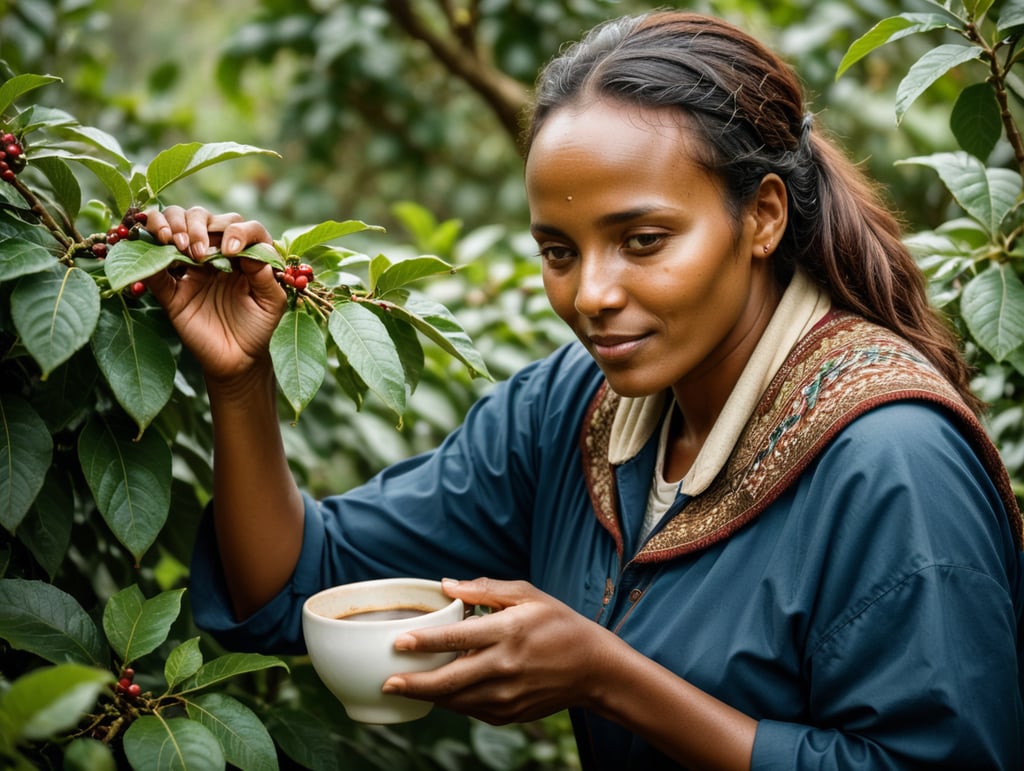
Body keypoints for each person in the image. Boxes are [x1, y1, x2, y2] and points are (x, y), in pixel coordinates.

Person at [142, 10, 1024, 770]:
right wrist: (242, 381)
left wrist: (608, 676)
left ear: (760, 216)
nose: (591, 296)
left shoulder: (893, 462)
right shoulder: (577, 408)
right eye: (559, 252)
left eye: (642, 240)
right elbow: (298, 585)